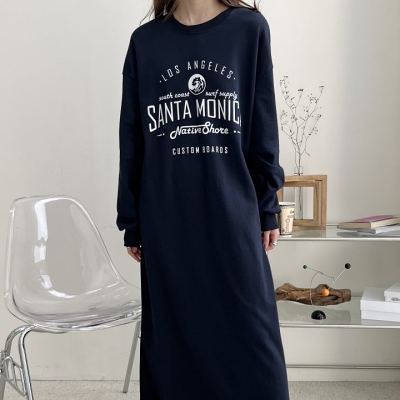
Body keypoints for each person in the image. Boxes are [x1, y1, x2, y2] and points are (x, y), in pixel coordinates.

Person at [116, 0, 290, 399]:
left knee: (252, 333)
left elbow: (263, 122)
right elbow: (132, 137)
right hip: (166, 215)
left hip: (232, 209)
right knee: (174, 340)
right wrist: (132, 220)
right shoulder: (146, 42)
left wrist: (267, 206)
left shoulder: (248, 29)